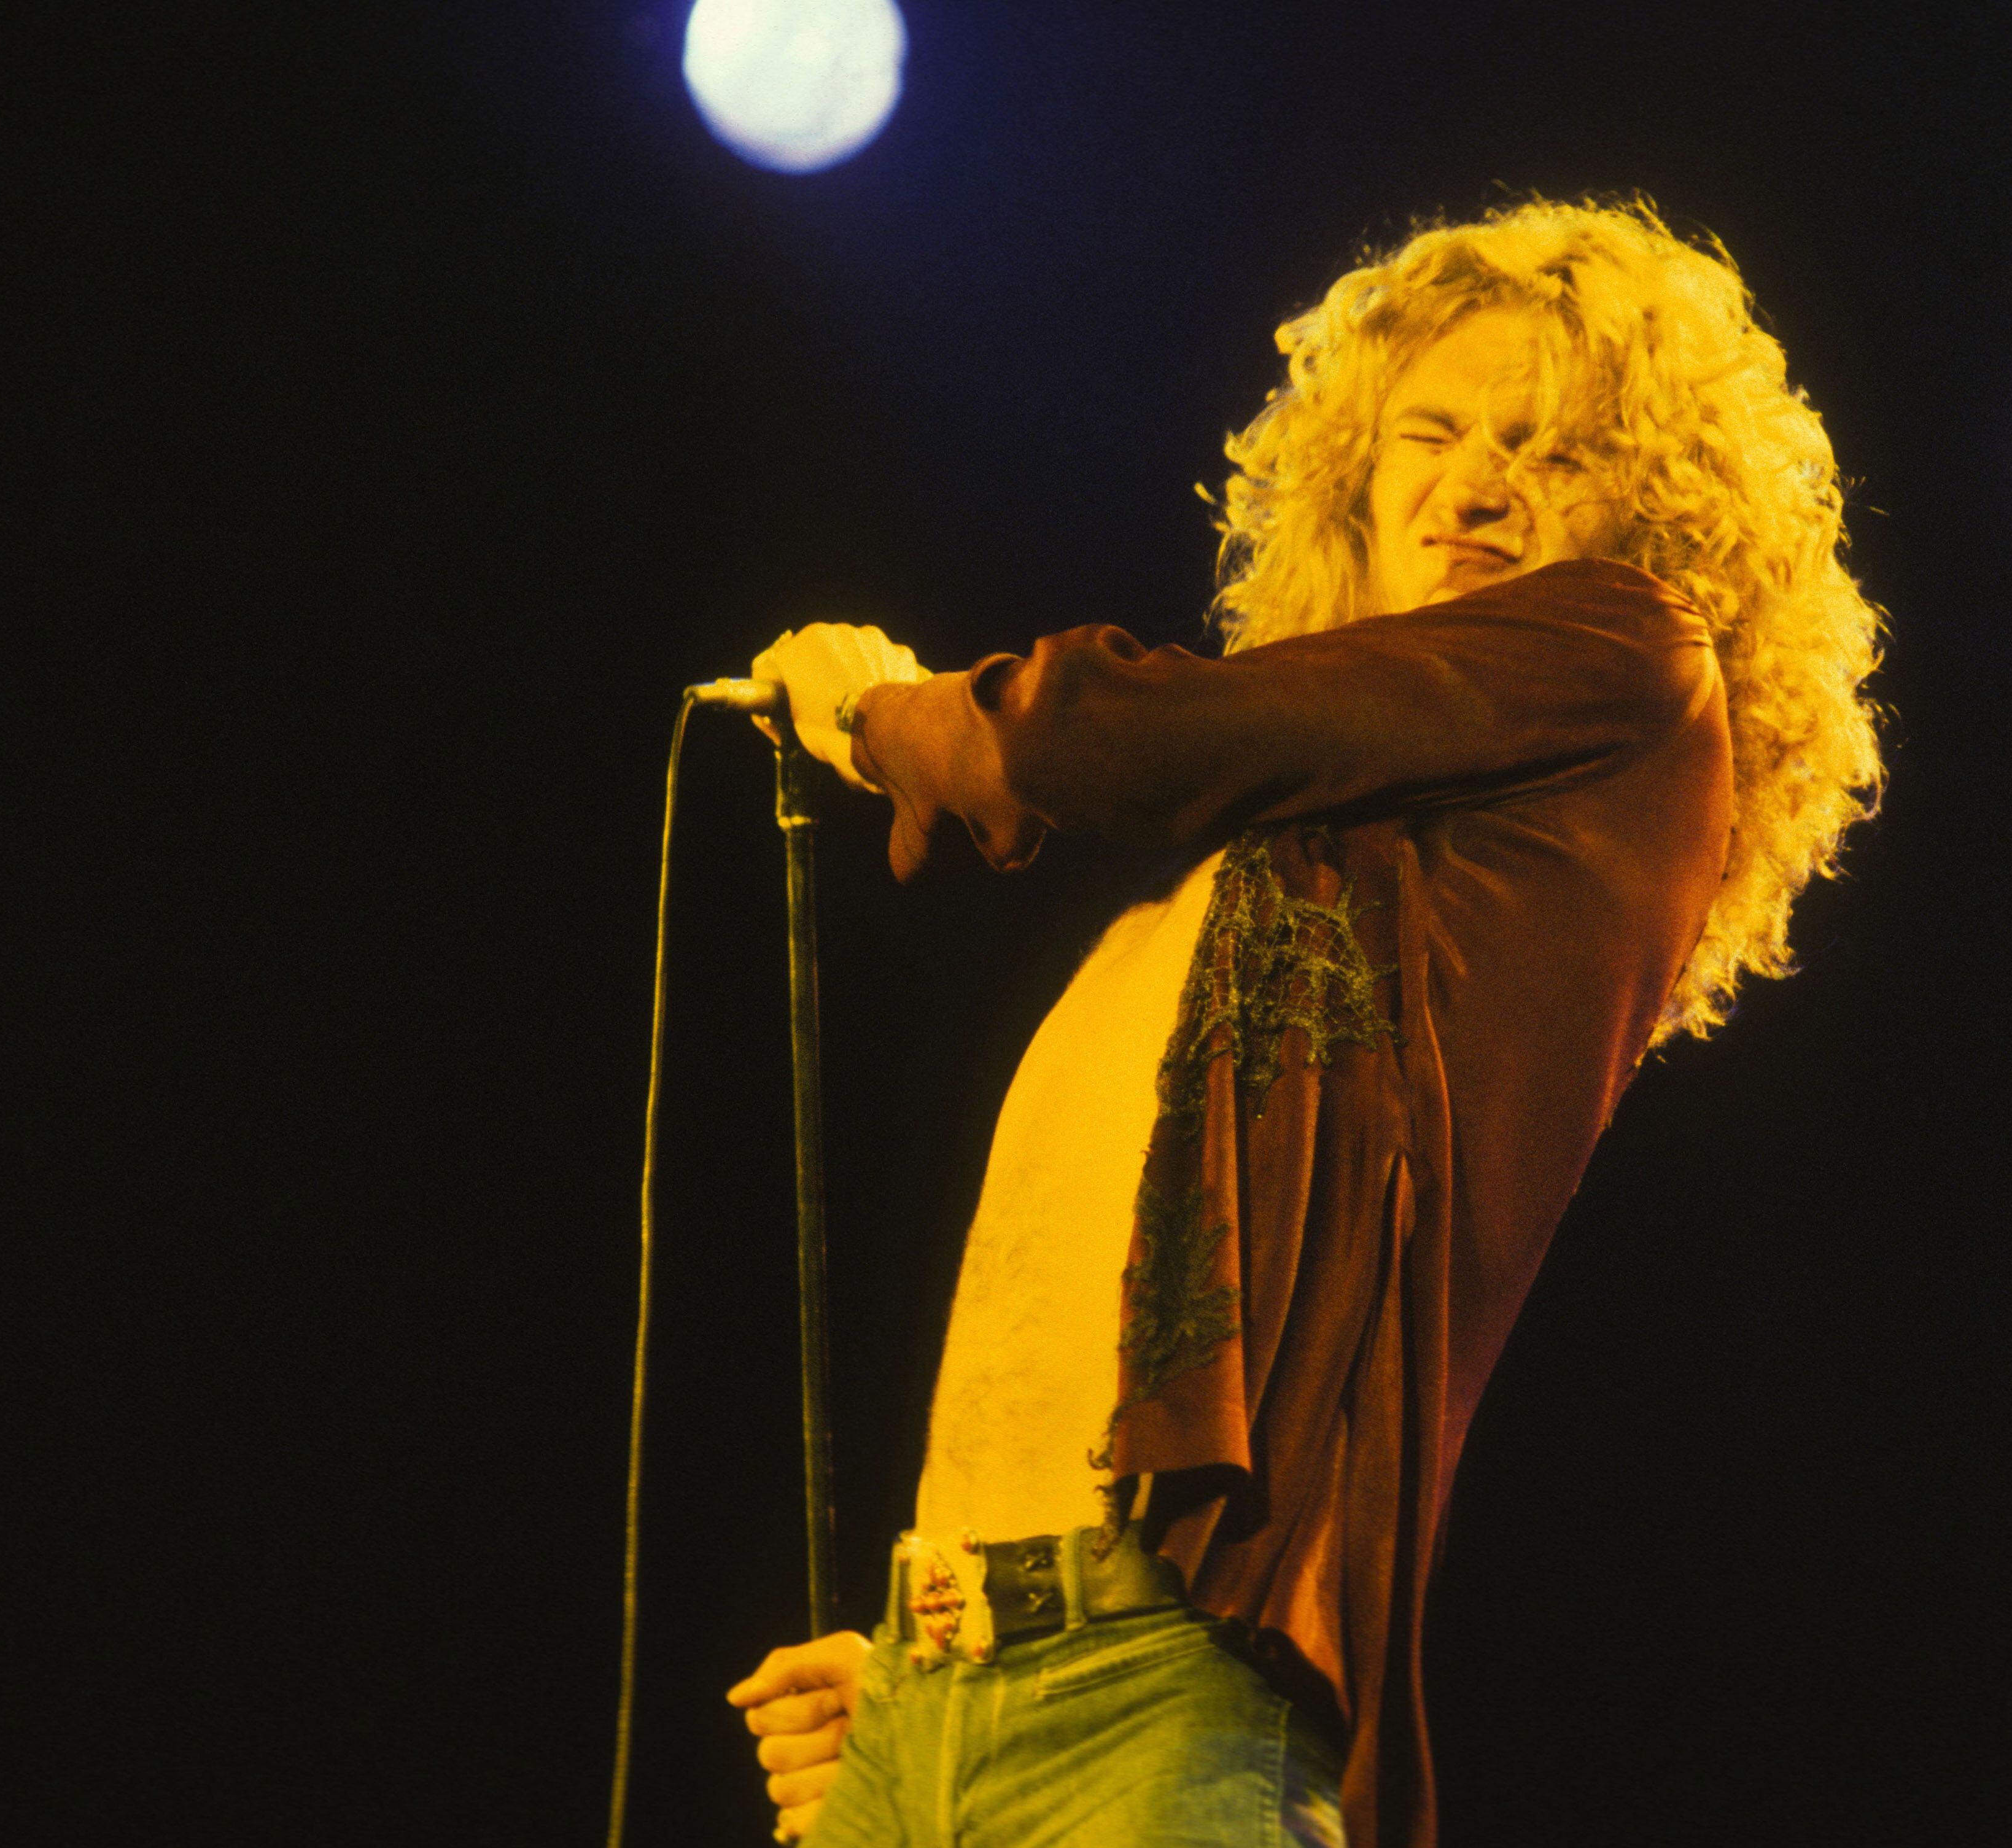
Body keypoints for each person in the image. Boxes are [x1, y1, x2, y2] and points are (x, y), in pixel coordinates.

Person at [723, 196, 1884, 1848]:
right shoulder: (1282, 872)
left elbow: (1143, 732)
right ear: (1354, 470)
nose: (1476, 482)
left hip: (1153, 1706)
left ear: (1650, 506)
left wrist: (899, 719)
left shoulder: (1632, 661)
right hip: (925, 1710)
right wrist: (948, 1664)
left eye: (1547, 451)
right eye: (1431, 429)